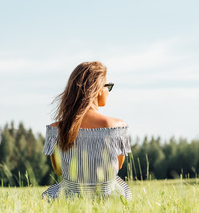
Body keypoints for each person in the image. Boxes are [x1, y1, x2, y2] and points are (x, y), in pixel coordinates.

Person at [42, 61, 132, 201]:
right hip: (108, 199)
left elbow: (59, 170)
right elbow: (117, 167)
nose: (108, 91)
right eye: (108, 86)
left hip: (70, 200)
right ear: (98, 89)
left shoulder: (55, 129)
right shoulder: (117, 127)